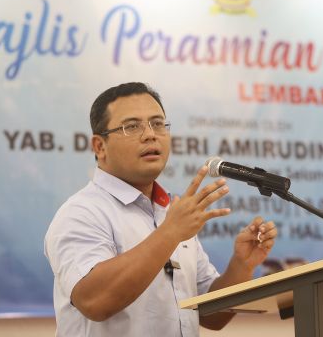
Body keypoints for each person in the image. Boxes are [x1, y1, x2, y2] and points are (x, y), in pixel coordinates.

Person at [44, 82, 277, 337]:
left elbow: (211, 316)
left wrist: (241, 266)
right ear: (100, 147)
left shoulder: (170, 213)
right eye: (132, 126)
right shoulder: (81, 212)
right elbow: (94, 301)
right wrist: (170, 233)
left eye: (157, 124)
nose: (150, 134)